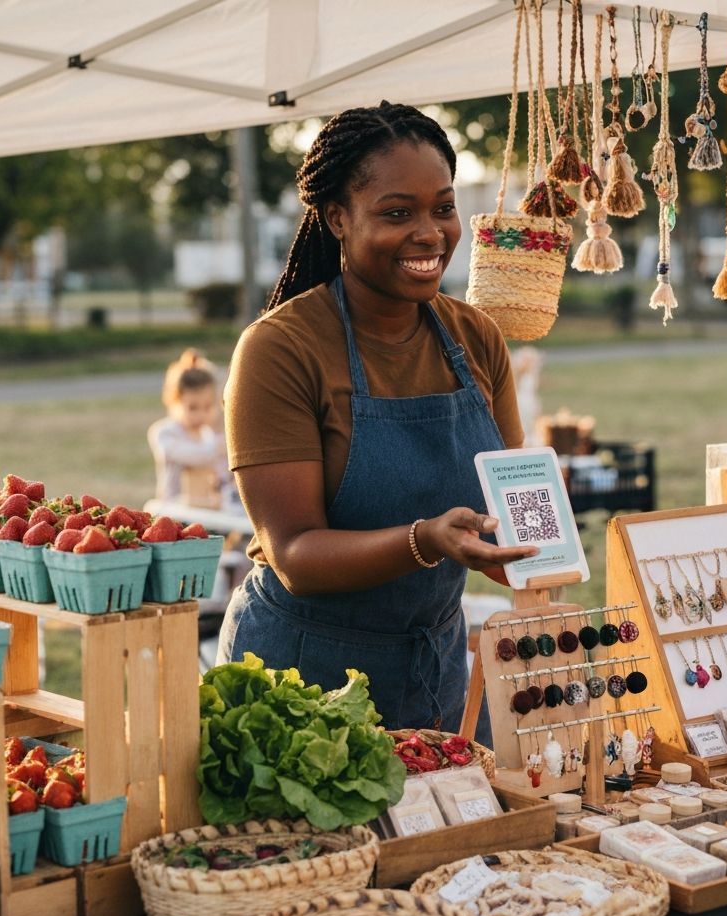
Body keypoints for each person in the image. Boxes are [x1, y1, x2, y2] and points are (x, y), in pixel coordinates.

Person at [217, 102, 535, 736]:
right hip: (302, 677)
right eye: (397, 213)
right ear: (337, 217)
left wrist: (528, 552)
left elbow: (512, 500)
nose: (430, 233)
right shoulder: (280, 349)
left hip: (433, 666)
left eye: (443, 208)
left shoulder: (476, 338)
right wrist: (427, 541)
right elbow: (295, 554)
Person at [148, 349, 232, 508]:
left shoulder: (208, 434)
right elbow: (195, 455)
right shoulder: (164, 433)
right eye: (192, 408)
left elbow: (222, 471)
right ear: (174, 401)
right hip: (174, 512)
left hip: (206, 509)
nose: (200, 415)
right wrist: (223, 446)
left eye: (207, 407)